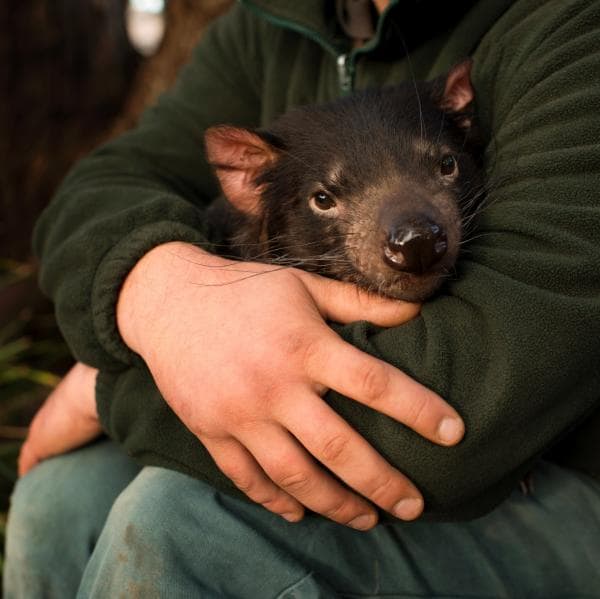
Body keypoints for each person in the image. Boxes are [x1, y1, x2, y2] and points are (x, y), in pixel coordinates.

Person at [5, 0, 600, 597]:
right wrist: (155, 297)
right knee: (59, 495)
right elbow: (101, 187)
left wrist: (116, 385)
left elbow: (462, 429)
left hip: (554, 478)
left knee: (179, 522)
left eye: (443, 167)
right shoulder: (271, 26)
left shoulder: (570, 25)